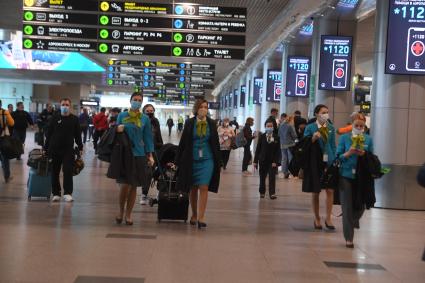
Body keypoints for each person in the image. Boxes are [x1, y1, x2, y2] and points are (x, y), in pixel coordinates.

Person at [175, 99, 222, 229]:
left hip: (208, 159)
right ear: (196, 109)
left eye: (206, 107)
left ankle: (201, 217)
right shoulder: (190, 123)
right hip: (192, 159)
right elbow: (183, 142)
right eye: (201, 107)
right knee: (193, 188)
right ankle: (194, 214)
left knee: (204, 186)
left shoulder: (211, 123)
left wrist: (220, 161)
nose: (204, 109)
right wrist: (177, 161)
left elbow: (215, 143)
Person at [115, 92, 154, 225]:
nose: (137, 102)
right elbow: (115, 134)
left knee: (133, 186)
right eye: (135, 99)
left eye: (139, 100)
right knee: (124, 185)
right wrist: (117, 129)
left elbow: (148, 137)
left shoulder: (144, 119)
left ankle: (128, 214)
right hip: (124, 154)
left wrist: (150, 154)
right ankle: (120, 211)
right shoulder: (122, 115)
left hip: (139, 154)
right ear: (130, 101)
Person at [336, 113, 374, 248]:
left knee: (361, 206)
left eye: (361, 126)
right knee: (347, 207)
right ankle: (349, 238)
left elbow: (372, 158)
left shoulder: (368, 139)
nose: (359, 127)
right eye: (356, 125)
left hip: (362, 177)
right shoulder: (345, 138)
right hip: (345, 175)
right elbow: (338, 156)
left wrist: (364, 154)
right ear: (351, 125)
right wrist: (348, 153)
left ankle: (351, 221)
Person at [302, 104, 336, 230]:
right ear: (317, 114)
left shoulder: (331, 127)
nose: (326, 114)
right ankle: (317, 217)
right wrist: (313, 138)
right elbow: (304, 144)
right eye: (323, 112)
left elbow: (333, 145)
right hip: (315, 162)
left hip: (329, 161)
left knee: (330, 190)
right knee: (316, 191)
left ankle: (328, 218)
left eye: (327, 112)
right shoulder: (310, 127)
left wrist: (334, 160)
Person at [44, 98, 83, 202]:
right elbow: (48, 134)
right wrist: (45, 148)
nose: (65, 106)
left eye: (67, 105)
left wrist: (80, 147)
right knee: (54, 172)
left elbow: (78, 135)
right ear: (60, 106)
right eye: (63, 104)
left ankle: (67, 193)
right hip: (54, 149)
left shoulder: (74, 119)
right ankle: (56, 193)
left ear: (69, 106)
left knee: (68, 171)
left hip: (68, 150)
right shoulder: (54, 118)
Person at [140, 104, 163, 205]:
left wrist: (161, 146)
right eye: (147, 110)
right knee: (147, 173)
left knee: (156, 173)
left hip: (155, 150)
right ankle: (144, 194)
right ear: (144, 111)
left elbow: (158, 134)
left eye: (151, 110)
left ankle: (159, 193)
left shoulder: (155, 121)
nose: (150, 112)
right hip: (143, 151)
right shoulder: (141, 120)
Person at [253, 119, 281, 199]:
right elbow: (258, 149)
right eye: (268, 126)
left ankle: (272, 193)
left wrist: (276, 161)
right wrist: (255, 161)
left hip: (272, 161)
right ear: (265, 127)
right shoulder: (262, 136)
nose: (269, 127)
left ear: (273, 127)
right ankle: (262, 192)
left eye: (271, 126)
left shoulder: (276, 137)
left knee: (272, 177)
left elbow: (278, 151)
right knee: (262, 177)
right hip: (262, 160)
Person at [278, 114, 298, 179]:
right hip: (290, 144)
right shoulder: (290, 126)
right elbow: (294, 136)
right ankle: (291, 173)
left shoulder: (281, 126)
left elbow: (278, 134)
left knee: (284, 159)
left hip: (282, 144)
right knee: (290, 159)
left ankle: (284, 173)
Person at [0, 100, 15, 183]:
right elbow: (12, 123)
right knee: (5, 157)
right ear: (1, 104)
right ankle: (6, 177)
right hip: (3, 138)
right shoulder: (5, 112)